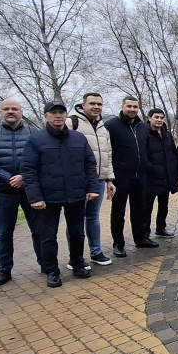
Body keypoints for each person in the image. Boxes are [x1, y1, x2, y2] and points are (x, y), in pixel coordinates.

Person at [21, 101, 100, 288]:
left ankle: (78, 263)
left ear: (66, 115)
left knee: (77, 233)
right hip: (48, 197)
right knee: (48, 235)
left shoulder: (78, 138)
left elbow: (89, 164)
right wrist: (35, 197)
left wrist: (92, 187)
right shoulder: (36, 140)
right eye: (53, 113)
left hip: (76, 194)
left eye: (61, 113)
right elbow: (28, 170)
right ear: (46, 116)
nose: (58, 116)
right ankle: (51, 270)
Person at [0, 98, 43, 287]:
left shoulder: (34, 134)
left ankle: (45, 265)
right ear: (1, 112)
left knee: (39, 230)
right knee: (4, 233)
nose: (10, 112)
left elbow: (43, 158)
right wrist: (7, 178)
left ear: (21, 112)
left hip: (30, 190)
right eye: (6, 109)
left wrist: (24, 177)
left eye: (14, 109)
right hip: (2, 191)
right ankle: (4, 270)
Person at [67, 93, 116, 267]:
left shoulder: (102, 127)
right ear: (83, 105)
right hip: (78, 181)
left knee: (93, 217)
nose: (96, 107)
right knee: (76, 219)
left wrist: (110, 179)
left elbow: (108, 154)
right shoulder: (72, 123)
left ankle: (96, 252)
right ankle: (76, 257)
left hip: (99, 180)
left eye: (99, 104)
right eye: (92, 103)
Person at [105, 96, 157, 256]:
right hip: (121, 176)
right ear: (122, 107)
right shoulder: (111, 126)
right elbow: (107, 151)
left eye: (135, 107)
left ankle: (140, 238)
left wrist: (148, 166)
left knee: (140, 209)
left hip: (140, 175)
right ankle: (118, 243)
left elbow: (147, 150)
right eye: (129, 106)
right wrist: (110, 177)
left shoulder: (143, 127)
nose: (132, 109)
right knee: (119, 210)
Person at [143, 108, 178, 237]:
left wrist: (175, 170)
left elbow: (173, 154)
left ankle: (161, 228)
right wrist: (152, 168)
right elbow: (142, 156)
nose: (159, 120)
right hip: (151, 177)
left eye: (161, 118)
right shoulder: (144, 133)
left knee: (164, 205)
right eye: (156, 117)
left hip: (166, 176)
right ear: (149, 118)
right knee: (147, 207)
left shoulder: (167, 134)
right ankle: (145, 232)